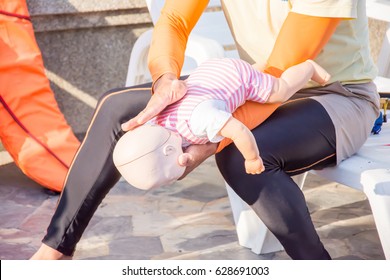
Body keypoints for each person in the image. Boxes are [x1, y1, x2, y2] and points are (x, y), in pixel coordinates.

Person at [31, 0, 379, 260]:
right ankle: (53, 252)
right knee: (116, 107)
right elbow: (175, 20)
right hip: (254, 85)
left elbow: (282, 72)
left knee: (240, 155)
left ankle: (319, 268)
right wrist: (165, 81)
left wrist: (204, 143)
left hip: (335, 95)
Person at [114, 58, 330, 190]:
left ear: (171, 149)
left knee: (279, 91)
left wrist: (252, 158)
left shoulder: (199, 119)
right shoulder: (157, 121)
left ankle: (308, 68)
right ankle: (263, 64)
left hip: (238, 78)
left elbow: (238, 130)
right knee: (253, 72)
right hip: (211, 72)